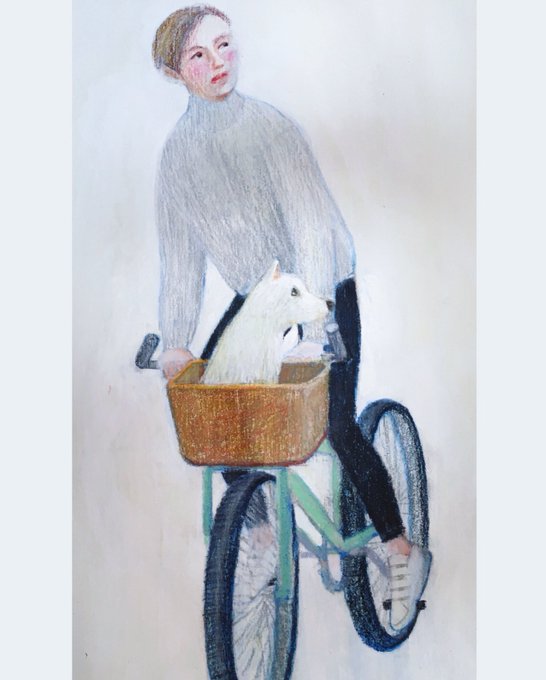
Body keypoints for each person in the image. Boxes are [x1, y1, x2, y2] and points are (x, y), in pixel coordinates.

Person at [152, 5, 429, 631]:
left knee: (336, 424)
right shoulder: (176, 159)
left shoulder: (271, 130)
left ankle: (399, 549)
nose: (218, 62)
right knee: (219, 408)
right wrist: (175, 340)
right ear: (175, 72)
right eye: (199, 55)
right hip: (260, 296)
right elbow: (180, 258)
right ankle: (257, 530)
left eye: (225, 45)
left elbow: (309, 228)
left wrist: (313, 331)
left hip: (322, 283)